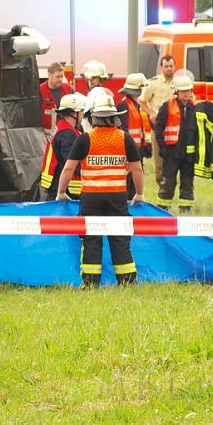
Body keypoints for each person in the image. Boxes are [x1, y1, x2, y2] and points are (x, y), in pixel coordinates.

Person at [56, 95, 144, 287]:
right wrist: (139, 194)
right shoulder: (125, 139)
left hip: (90, 198)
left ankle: (90, 283)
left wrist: (61, 192)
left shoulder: (85, 139)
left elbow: (69, 168)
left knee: (91, 239)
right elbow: (137, 169)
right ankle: (127, 282)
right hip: (117, 197)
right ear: (114, 117)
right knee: (120, 237)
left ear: (94, 117)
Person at [155, 74, 197, 213]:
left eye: (188, 91)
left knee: (187, 183)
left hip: (189, 154)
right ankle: (163, 210)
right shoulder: (167, 106)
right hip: (171, 153)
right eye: (183, 91)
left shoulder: (195, 108)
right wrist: (163, 148)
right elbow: (159, 128)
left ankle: (186, 210)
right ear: (177, 92)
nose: (186, 94)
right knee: (168, 183)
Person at [140, 55, 177, 186]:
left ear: (175, 67)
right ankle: (161, 185)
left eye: (171, 66)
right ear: (161, 68)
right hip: (159, 127)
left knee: (174, 158)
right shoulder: (153, 83)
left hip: (176, 128)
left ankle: (172, 184)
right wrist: (151, 114)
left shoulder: (180, 83)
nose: (168, 69)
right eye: (166, 66)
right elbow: (141, 101)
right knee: (159, 158)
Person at [40, 93, 86, 200]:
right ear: (73, 113)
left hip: (58, 185)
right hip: (65, 190)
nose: (83, 114)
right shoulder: (67, 134)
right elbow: (71, 163)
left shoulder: (62, 127)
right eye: (81, 111)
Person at [117, 73, 152, 199]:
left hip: (136, 150)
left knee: (135, 182)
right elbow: (123, 130)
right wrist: (127, 151)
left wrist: (145, 146)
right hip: (129, 151)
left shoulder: (134, 104)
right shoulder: (124, 105)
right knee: (129, 184)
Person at [40, 62, 73, 139]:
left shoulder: (69, 89)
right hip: (45, 137)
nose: (60, 79)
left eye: (62, 76)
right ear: (49, 75)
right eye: (57, 77)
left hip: (64, 135)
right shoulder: (40, 91)